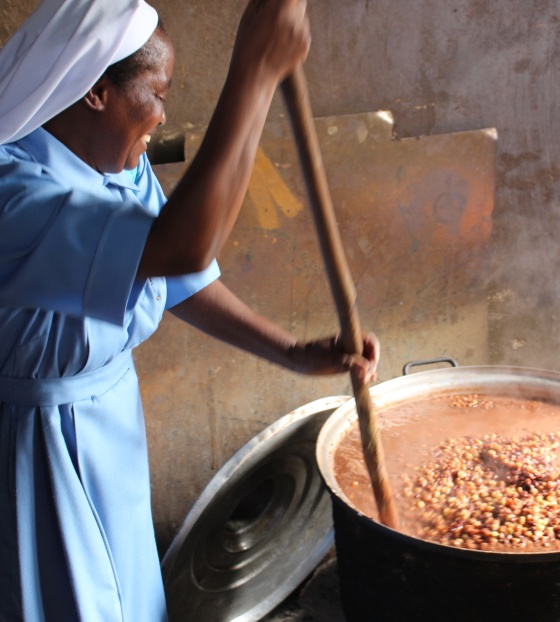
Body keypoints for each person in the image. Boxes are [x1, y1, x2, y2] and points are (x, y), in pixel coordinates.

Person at [0, 0, 380, 620]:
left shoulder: (117, 161)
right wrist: (254, 71)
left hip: (111, 425)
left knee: (130, 591)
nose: (162, 117)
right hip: (37, 450)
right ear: (96, 92)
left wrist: (288, 351)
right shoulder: (12, 191)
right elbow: (181, 245)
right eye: (157, 94)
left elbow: (172, 275)